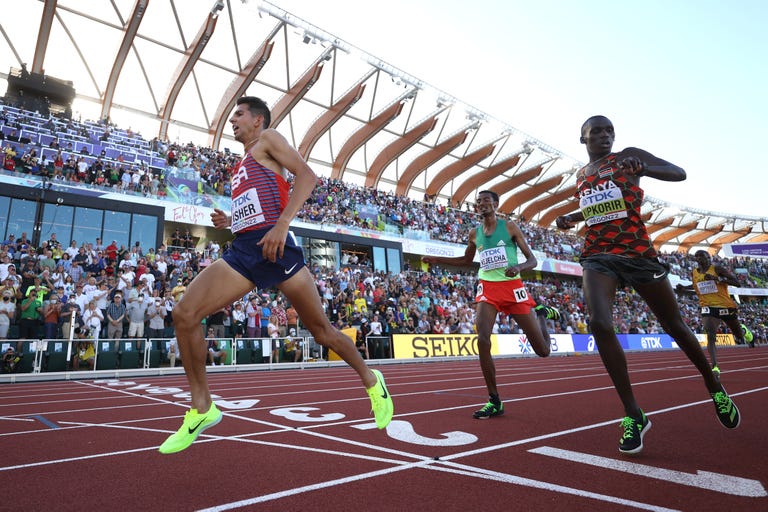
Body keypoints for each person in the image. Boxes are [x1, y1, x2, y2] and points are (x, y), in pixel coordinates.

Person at [158, 96, 393, 454]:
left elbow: (308, 176)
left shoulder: (268, 139)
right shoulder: (241, 165)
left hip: (277, 248)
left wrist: (284, 224)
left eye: (239, 115)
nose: (232, 120)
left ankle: (372, 381)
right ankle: (202, 408)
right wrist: (230, 222)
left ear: (258, 121)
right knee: (184, 314)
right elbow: (255, 212)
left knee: (322, 331)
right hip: (247, 252)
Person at [555, 115, 740, 455]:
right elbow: (597, 208)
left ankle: (713, 384)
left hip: (638, 253)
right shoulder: (581, 176)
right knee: (599, 322)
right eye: (597, 131)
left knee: (675, 325)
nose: (605, 135)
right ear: (583, 139)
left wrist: (644, 167)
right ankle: (633, 414)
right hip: (598, 254)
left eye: (609, 130)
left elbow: (678, 173)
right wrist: (572, 218)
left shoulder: (628, 155)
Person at [422, 190, 558, 419]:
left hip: (513, 287)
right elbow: (466, 260)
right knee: (482, 338)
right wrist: (438, 260)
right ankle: (494, 400)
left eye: (486, 201)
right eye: (478, 202)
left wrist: (519, 268)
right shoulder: (474, 233)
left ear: (496, 204)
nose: (482, 204)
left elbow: (532, 260)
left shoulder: (510, 227)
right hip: (488, 289)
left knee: (543, 351)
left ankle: (542, 314)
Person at [677, 250, 755, 374]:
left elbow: (737, 283)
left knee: (738, 335)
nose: (700, 259)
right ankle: (715, 366)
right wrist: (683, 288)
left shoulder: (717, 269)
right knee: (711, 335)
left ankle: (744, 331)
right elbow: (696, 286)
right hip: (707, 307)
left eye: (703, 256)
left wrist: (717, 278)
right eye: (697, 257)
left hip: (725, 305)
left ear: (709, 258)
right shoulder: (695, 273)